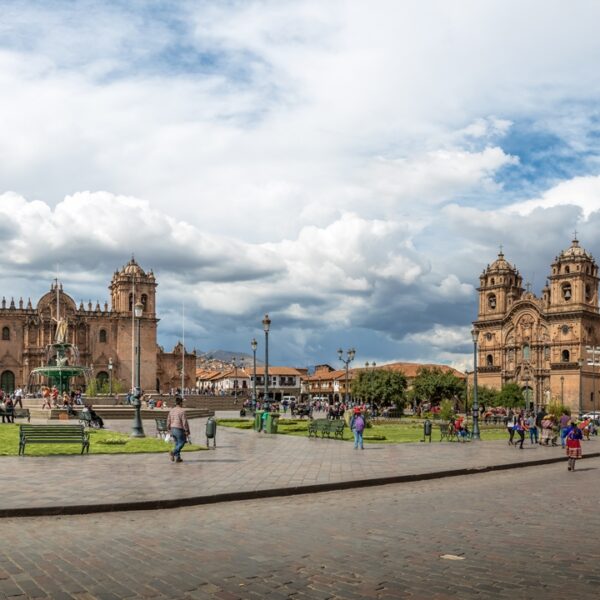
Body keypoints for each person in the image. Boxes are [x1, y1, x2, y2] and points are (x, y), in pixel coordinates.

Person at [167, 396, 190, 463]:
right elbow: (184, 422)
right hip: (179, 429)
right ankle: (173, 452)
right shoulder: (182, 411)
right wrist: (187, 430)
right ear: (180, 403)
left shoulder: (171, 410)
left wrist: (168, 428)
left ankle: (178, 458)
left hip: (172, 429)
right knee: (182, 442)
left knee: (177, 443)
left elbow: (168, 420)